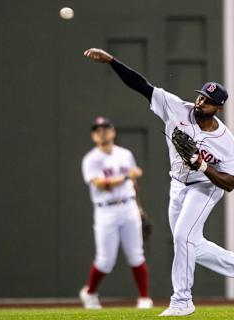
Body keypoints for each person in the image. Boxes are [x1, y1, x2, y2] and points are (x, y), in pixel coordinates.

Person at [83, 48, 234, 317]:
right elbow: (141, 86)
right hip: (177, 185)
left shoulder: (228, 144)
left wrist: (203, 166)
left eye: (207, 100)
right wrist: (112, 61)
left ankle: (182, 301)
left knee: (183, 237)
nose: (200, 102)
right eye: (200, 95)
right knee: (190, 243)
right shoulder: (176, 108)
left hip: (205, 187)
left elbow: (229, 183)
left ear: (219, 108)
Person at [79, 116, 153, 309]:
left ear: (113, 132)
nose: (102, 132)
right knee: (105, 261)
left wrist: (139, 207)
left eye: (105, 128)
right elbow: (101, 185)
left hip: (128, 206)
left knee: (137, 255)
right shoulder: (91, 159)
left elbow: (133, 184)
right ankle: (90, 293)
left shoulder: (125, 154)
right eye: (98, 130)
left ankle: (144, 298)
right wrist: (128, 175)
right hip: (106, 210)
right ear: (93, 135)